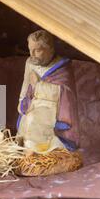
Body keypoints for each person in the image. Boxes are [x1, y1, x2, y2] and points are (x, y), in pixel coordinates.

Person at [16, 30, 81, 176]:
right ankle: (27, 154)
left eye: (37, 50)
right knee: (24, 121)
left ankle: (38, 154)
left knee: (34, 121)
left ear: (50, 49)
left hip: (53, 108)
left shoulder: (62, 67)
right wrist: (22, 102)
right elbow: (26, 85)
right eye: (30, 50)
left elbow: (65, 92)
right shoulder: (30, 62)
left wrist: (38, 84)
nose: (32, 54)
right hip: (33, 102)